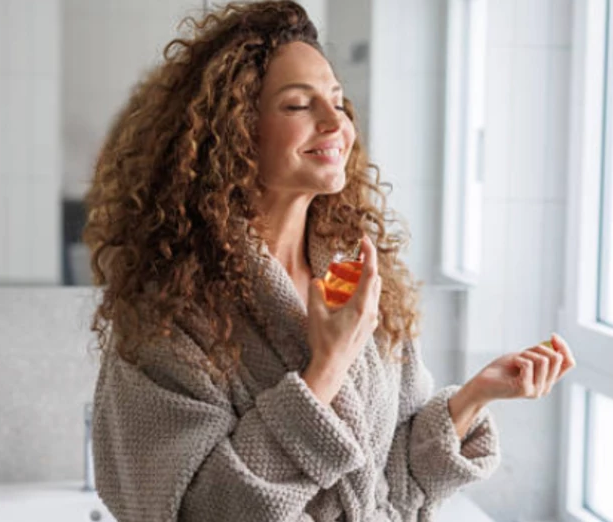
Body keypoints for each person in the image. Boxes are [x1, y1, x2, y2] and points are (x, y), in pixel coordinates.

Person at [83, 2, 575, 521]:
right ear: (234, 132)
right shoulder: (171, 313)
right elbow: (200, 512)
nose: (334, 122)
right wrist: (327, 367)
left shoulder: (352, 276)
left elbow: (391, 482)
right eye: (299, 106)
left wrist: (476, 396)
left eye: (338, 102)